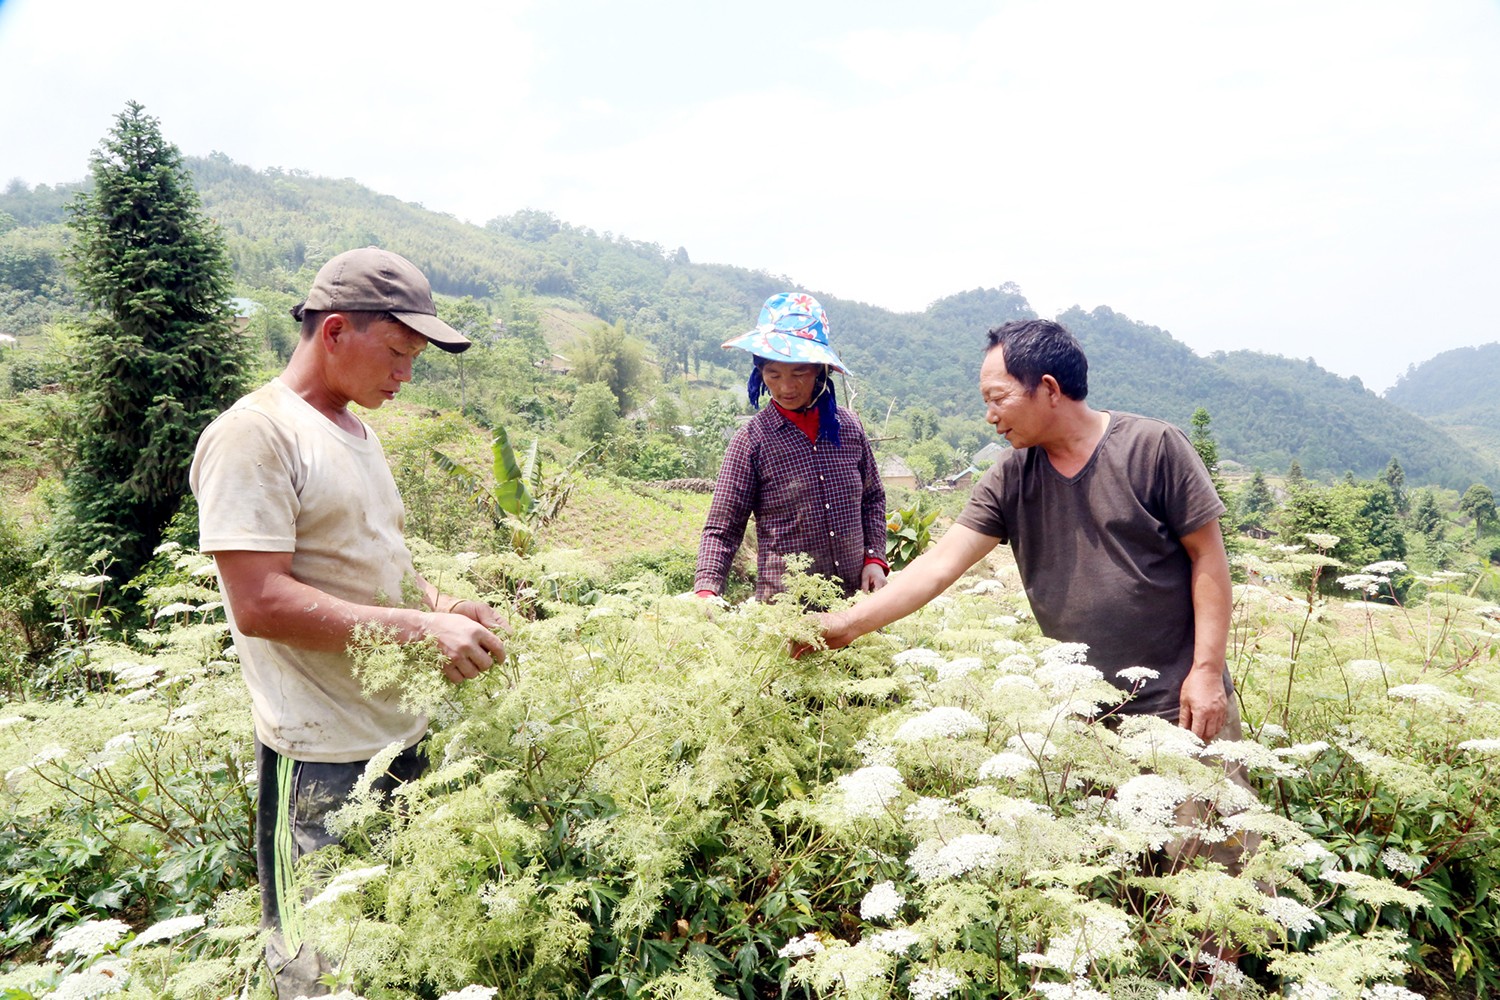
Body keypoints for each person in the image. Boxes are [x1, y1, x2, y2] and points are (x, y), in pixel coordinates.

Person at [189, 247, 508, 996]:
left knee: (399, 953)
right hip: (318, 762)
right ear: (334, 332)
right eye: (397, 353)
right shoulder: (256, 435)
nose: (405, 374)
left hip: (401, 738)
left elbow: (379, 557)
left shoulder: (357, 432)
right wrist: (421, 633)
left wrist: (443, 607)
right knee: (321, 969)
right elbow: (259, 602)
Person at [809, 317, 1233, 737]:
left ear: (1049, 388)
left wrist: (1207, 672)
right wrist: (847, 624)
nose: (990, 416)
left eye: (998, 398)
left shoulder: (1153, 447)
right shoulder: (1011, 476)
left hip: (1178, 704)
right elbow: (938, 565)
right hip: (1084, 716)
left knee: (1205, 806)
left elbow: (1207, 556)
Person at [694, 292, 888, 603]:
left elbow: (872, 498)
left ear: (820, 371)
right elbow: (722, 530)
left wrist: (874, 558)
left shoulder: (850, 428)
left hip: (858, 605)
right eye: (774, 374)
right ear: (760, 375)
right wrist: (706, 591)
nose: (786, 386)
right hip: (787, 612)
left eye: (799, 373)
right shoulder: (752, 441)